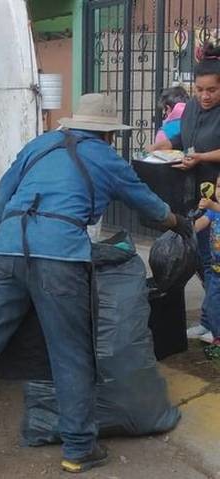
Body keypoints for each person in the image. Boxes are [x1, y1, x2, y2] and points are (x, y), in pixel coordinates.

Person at [0, 93, 192, 474]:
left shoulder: (38, 145)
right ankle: (79, 448)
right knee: (70, 352)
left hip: (4, 252)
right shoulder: (106, 158)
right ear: (108, 134)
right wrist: (177, 223)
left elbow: (2, 200)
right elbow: (147, 204)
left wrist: (13, 230)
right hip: (60, 258)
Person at [150, 44, 220, 343]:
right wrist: (162, 147)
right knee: (204, 260)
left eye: (213, 90)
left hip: (216, 200)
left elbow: (203, 150)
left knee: (212, 263)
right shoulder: (192, 107)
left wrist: (202, 158)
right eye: (200, 89)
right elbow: (184, 137)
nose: (205, 96)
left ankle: (213, 324)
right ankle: (209, 321)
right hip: (194, 193)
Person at [193, 173, 220, 356]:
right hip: (216, 267)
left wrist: (213, 205)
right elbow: (202, 223)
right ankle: (217, 337)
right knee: (212, 303)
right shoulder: (213, 210)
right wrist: (186, 227)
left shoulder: (215, 208)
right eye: (218, 186)